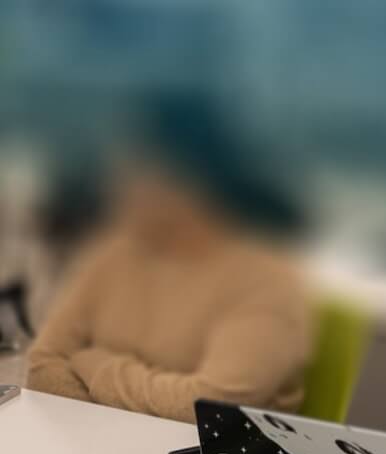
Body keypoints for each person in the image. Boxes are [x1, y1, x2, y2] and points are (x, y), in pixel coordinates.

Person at [27, 93, 309, 423]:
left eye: (131, 169)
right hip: (101, 447)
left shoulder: (265, 279)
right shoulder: (114, 252)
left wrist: (94, 365)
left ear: (185, 178)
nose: (114, 185)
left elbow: (207, 407)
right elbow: (42, 366)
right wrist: (108, 420)